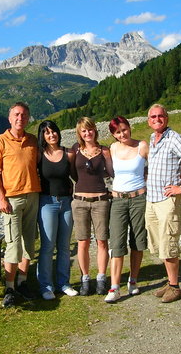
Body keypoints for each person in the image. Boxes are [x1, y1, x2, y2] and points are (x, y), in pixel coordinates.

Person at [145, 103, 181, 303]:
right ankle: (170, 281)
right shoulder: (153, 138)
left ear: (166, 118)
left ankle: (176, 287)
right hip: (151, 200)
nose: (157, 119)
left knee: (169, 242)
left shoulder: (174, 138)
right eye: (153, 117)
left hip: (167, 201)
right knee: (160, 243)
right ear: (148, 120)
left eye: (160, 116)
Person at [0, 102, 41, 308]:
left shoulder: (32, 140)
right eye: (17, 115)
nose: (21, 118)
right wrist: (1, 198)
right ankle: (9, 287)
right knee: (13, 243)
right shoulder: (0, 140)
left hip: (32, 196)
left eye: (25, 115)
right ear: (9, 118)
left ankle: (22, 281)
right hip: (11, 199)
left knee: (28, 242)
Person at [104, 116, 149, 303]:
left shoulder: (142, 146)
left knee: (138, 240)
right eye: (117, 132)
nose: (122, 134)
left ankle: (133, 280)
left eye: (124, 129)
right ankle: (114, 287)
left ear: (129, 128)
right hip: (118, 200)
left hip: (138, 198)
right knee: (116, 242)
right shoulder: (112, 149)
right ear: (113, 135)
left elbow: (155, 166)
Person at [36, 120, 79, 299]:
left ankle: (64, 283)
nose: (51, 135)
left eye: (53, 131)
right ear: (43, 136)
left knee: (64, 246)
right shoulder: (39, 155)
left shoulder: (68, 153)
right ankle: (46, 286)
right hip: (47, 202)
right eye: (47, 133)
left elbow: (76, 176)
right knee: (47, 246)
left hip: (66, 202)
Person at [72, 116, 114, 296]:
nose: (87, 133)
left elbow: (111, 172)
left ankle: (101, 278)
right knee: (83, 242)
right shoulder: (75, 150)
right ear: (79, 133)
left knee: (102, 241)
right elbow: (73, 173)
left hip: (100, 201)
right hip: (80, 201)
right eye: (84, 130)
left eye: (90, 129)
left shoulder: (104, 151)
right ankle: (85, 279)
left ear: (95, 130)